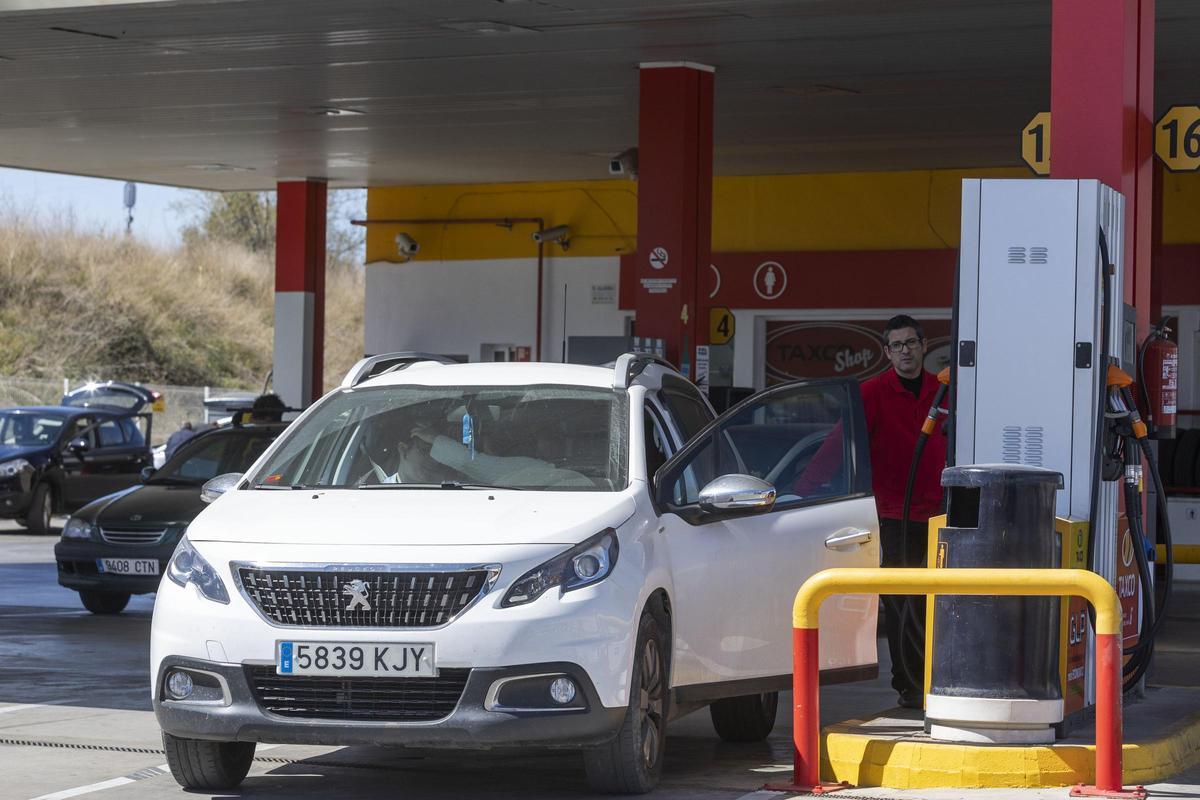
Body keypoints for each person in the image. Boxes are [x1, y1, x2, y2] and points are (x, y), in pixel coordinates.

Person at [793, 314, 947, 708]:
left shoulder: (944, 391)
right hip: (894, 517)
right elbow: (837, 445)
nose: (905, 352)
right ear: (886, 352)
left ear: (923, 345)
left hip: (939, 516)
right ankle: (910, 686)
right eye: (896, 346)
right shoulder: (872, 393)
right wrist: (804, 491)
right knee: (902, 604)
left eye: (911, 343)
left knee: (937, 602)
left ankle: (935, 680)